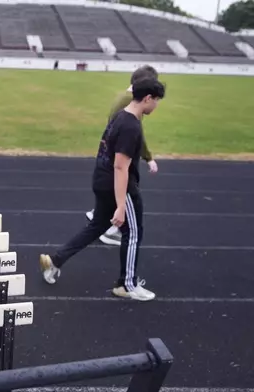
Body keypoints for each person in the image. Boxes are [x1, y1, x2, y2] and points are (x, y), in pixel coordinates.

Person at [39, 77, 166, 301]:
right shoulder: (131, 126)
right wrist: (120, 206)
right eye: (156, 101)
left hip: (101, 179)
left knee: (97, 225)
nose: (156, 105)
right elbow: (120, 166)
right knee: (133, 233)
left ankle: (55, 260)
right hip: (119, 186)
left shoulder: (120, 116)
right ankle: (126, 284)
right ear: (147, 98)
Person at [89, 65, 160, 247]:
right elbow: (134, 132)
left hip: (112, 152)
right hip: (122, 152)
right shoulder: (131, 103)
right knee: (126, 192)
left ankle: (100, 214)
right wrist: (148, 157)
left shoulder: (123, 96)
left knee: (116, 193)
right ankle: (112, 228)